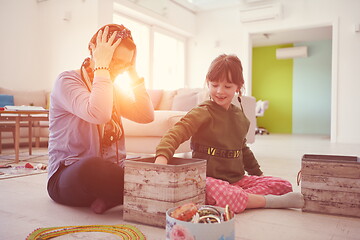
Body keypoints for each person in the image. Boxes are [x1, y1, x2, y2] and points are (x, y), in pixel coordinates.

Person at [155, 54, 304, 213]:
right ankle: (265, 201)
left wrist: (258, 175)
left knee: (283, 185)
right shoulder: (202, 112)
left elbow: (243, 149)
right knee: (216, 191)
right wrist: (161, 160)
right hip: (209, 180)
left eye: (227, 86)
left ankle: (241, 199)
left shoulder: (240, 117)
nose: (220, 91)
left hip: (237, 181)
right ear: (208, 83)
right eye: (214, 85)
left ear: (238, 87)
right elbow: (176, 133)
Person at [47, 24, 154, 214]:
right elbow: (99, 113)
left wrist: (133, 72)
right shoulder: (67, 81)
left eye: (124, 63)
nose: (118, 68)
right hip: (69, 177)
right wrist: (102, 66)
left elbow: (146, 115)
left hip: (110, 174)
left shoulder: (109, 87)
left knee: (153, 163)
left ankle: (113, 195)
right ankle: (133, 191)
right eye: (113, 59)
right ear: (94, 50)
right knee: (93, 167)